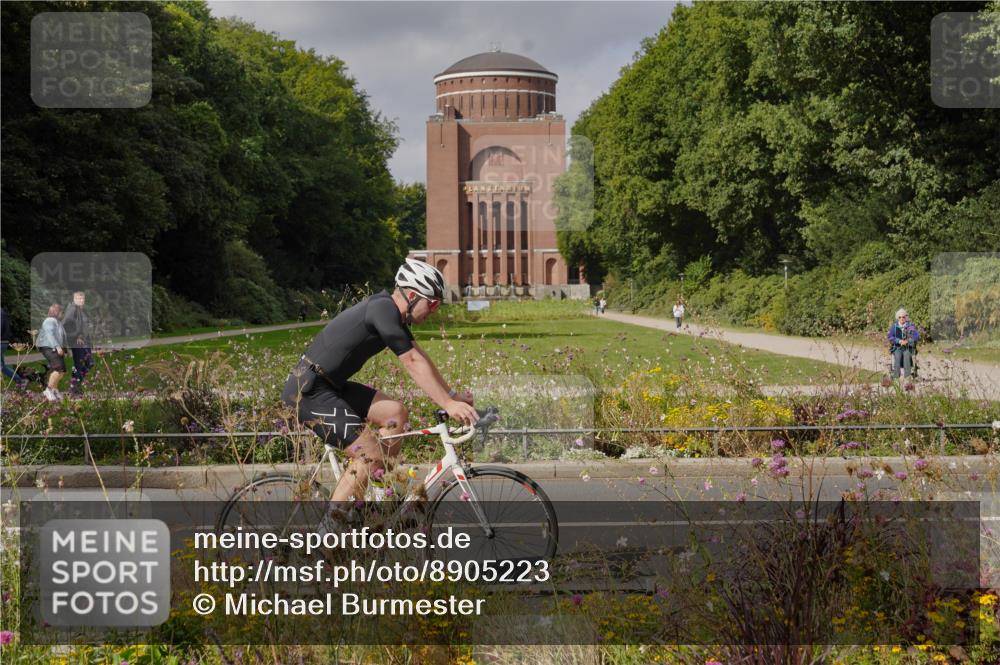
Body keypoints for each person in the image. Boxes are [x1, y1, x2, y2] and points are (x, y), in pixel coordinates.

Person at [281, 259, 477, 525]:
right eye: (432, 303)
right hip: (309, 391)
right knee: (370, 454)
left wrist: (451, 396)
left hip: (330, 385)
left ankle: (370, 496)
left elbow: (420, 355)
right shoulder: (382, 309)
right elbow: (411, 363)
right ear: (411, 295)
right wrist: (448, 404)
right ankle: (328, 534)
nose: (434, 310)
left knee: (395, 413)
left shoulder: (390, 314)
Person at [62, 291, 94, 396]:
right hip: (78, 343)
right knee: (80, 365)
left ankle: (75, 384)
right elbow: (65, 324)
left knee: (89, 363)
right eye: (79, 299)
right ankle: (75, 388)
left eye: (83, 299)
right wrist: (76, 336)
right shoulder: (72, 310)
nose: (81, 300)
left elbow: (83, 326)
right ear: (74, 299)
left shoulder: (80, 310)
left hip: (85, 342)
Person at [36, 303, 68, 401]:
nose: (61, 314)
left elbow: (62, 336)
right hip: (49, 346)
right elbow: (50, 335)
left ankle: (54, 389)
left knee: (62, 371)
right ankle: (48, 390)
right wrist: (57, 347)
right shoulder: (49, 320)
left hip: (54, 347)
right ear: (56, 312)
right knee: (59, 369)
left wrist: (65, 349)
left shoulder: (57, 322)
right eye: (61, 312)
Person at [888, 308, 920, 380]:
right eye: (900, 317)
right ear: (897, 318)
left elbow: (916, 336)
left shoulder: (910, 326)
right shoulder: (894, 326)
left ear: (906, 317)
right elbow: (890, 337)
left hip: (908, 347)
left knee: (906, 355)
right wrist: (899, 341)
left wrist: (908, 341)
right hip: (897, 347)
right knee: (897, 356)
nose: (902, 318)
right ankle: (896, 376)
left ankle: (907, 377)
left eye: (903, 317)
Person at [1, 306, 27, 389]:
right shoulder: (2, 312)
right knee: (3, 367)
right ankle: (20, 381)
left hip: (1, 342)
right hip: (3, 342)